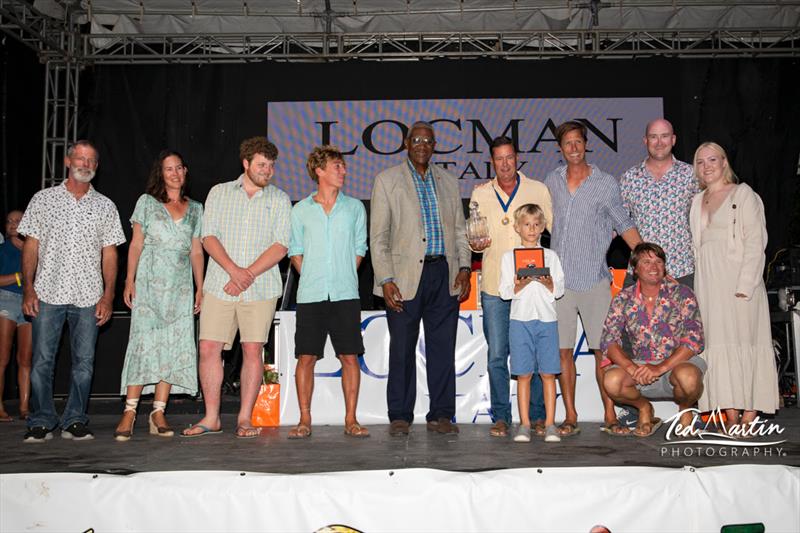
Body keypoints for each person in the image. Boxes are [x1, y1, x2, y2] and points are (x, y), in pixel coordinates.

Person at [182, 137, 290, 439]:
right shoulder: (219, 192)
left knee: (253, 349)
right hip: (220, 284)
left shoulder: (279, 199)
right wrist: (233, 271)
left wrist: (248, 274)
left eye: (271, 166)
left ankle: (244, 418)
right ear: (245, 164)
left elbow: (281, 246)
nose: (267, 171)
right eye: (261, 165)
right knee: (208, 348)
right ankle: (212, 417)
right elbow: (209, 237)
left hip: (261, 286)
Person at [19, 140, 126, 442]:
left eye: (91, 160)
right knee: (41, 360)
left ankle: (74, 419)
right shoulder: (43, 200)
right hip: (47, 292)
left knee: (84, 363)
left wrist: (108, 296)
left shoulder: (105, 206)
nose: (85, 164)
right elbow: (31, 246)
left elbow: (110, 254)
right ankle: (41, 420)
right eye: (80, 158)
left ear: (97, 166)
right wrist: (28, 289)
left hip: (89, 296)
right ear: (68, 161)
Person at [370, 121, 471, 436]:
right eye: (416, 140)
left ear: (435, 144)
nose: (422, 145)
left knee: (443, 347)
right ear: (406, 143)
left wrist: (465, 267)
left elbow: (460, 231)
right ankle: (400, 414)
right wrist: (385, 278)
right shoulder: (387, 180)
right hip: (403, 276)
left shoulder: (449, 182)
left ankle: (441, 413)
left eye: (428, 140)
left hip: (445, 273)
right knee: (402, 347)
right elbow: (379, 236)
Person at [543, 121, 643, 437]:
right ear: (560, 148)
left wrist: (646, 256)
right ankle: (570, 415)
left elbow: (623, 223)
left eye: (577, 142)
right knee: (562, 353)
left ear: (586, 144)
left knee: (604, 353)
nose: (572, 147)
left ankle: (610, 415)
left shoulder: (605, 183)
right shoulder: (551, 181)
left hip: (595, 281)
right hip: (559, 284)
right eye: (566, 143)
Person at [113, 150, 205, 441]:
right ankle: (129, 411)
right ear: (161, 174)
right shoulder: (147, 203)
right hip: (150, 283)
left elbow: (196, 251)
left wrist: (200, 287)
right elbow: (136, 245)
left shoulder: (196, 209)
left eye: (179, 167)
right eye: (169, 169)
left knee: (172, 345)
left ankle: (158, 411)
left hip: (179, 287)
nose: (175, 173)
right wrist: (129, 280)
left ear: (185, 171)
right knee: (144, 343)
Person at [689, 142, 779, 434]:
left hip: (740, 285)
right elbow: (697, 248)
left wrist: (745, 285)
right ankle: (730, 414)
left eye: (712, 159)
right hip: (709, 286)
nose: (707, 166)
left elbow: (756, 242)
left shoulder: (744, 195)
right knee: (717, 345)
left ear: (724, 162)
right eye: (701, 162)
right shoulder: (696, 201)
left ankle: (750, 414)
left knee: (746, 342)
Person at [470, 136, 554, 438]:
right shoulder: (480, 193)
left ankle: (536, 416)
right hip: (494, 285)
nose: (505, 164)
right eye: (499, 159)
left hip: (530, 288)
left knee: (530, 354)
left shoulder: (537, 190)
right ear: (492, 161)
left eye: (509, 157)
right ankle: (502, 417)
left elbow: (552, 231)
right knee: (497, 354)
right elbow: (475, 239)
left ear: (517, 158)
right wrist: (474, 244)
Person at [287, 146, 368, 439]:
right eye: (337, 166)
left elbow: (360, 248)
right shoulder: (300, 210)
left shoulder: (355, 208)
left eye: (343, 166)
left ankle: (351, 419)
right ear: (319, 171)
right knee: (306, 357)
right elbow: (295, 251)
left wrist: (344, 271)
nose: (343, 171)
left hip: (346, 293)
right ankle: (304, 419)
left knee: (350, 357)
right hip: (311, 295)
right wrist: (311, 275)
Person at [600, 243, 705, 437]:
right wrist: (632, 368)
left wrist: (660, 367)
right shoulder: (623, 298)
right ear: (635, 269)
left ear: (665, 267)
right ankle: (644, 408)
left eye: (658, 261)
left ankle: (685, 410)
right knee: (612, 380)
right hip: (641, 366)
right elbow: (609, 341)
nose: (654, 266)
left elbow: (694, 340)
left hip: (677, 363)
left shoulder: (682, 293)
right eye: (646, 262)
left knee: (689, 378)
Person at [498, 204, 564, 443]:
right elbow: (504, 292)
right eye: (526, 224)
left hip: (547, 320)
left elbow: (559, 290)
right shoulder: (509, 258)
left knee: (548, 373)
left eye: (536, 225)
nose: (532, 229)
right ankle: (524, 424)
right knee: (523, 374)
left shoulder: (551, 256)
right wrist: (519, 284)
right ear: (517, 228)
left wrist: (547, 283)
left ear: (543, 227)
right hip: (520, 321)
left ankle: (550, 424)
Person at [620, 119, 698, 288]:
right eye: (653, 137)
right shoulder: (630, 178)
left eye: (665, 136)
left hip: (682, 270)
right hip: (640, 271)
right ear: (645, 141)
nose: (659, 142)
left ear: (674, 139)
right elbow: (619, 223)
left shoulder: (691, 175)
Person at [0, 210, 32, 421]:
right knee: (2, 358)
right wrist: (21, 277)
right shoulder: (2, 249)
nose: (13, 224)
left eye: (18, 221)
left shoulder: (35, 249)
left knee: (25, 360)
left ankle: (24, 407)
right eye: (9, 221)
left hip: (29, 303)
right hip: (6, 300)